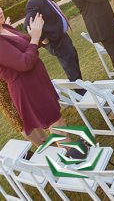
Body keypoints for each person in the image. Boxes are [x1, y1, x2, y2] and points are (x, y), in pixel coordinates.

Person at [0, 8, 67, 146]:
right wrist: (35, 38)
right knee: (56, 122)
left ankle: (69, 154)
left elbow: (28, 47)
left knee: (56, 120)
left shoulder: (5, 27)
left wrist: (34, 36)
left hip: (37, 82)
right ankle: (73, 159)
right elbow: (24, 63)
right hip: (28, 88)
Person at [24, 0, 83, 82]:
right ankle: (82, 94)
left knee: (74, 62)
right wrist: (44, 41)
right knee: (71, 69)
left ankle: (83, 88)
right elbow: (27, 24)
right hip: (56, 41)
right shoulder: (34, 2)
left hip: (63, 37)